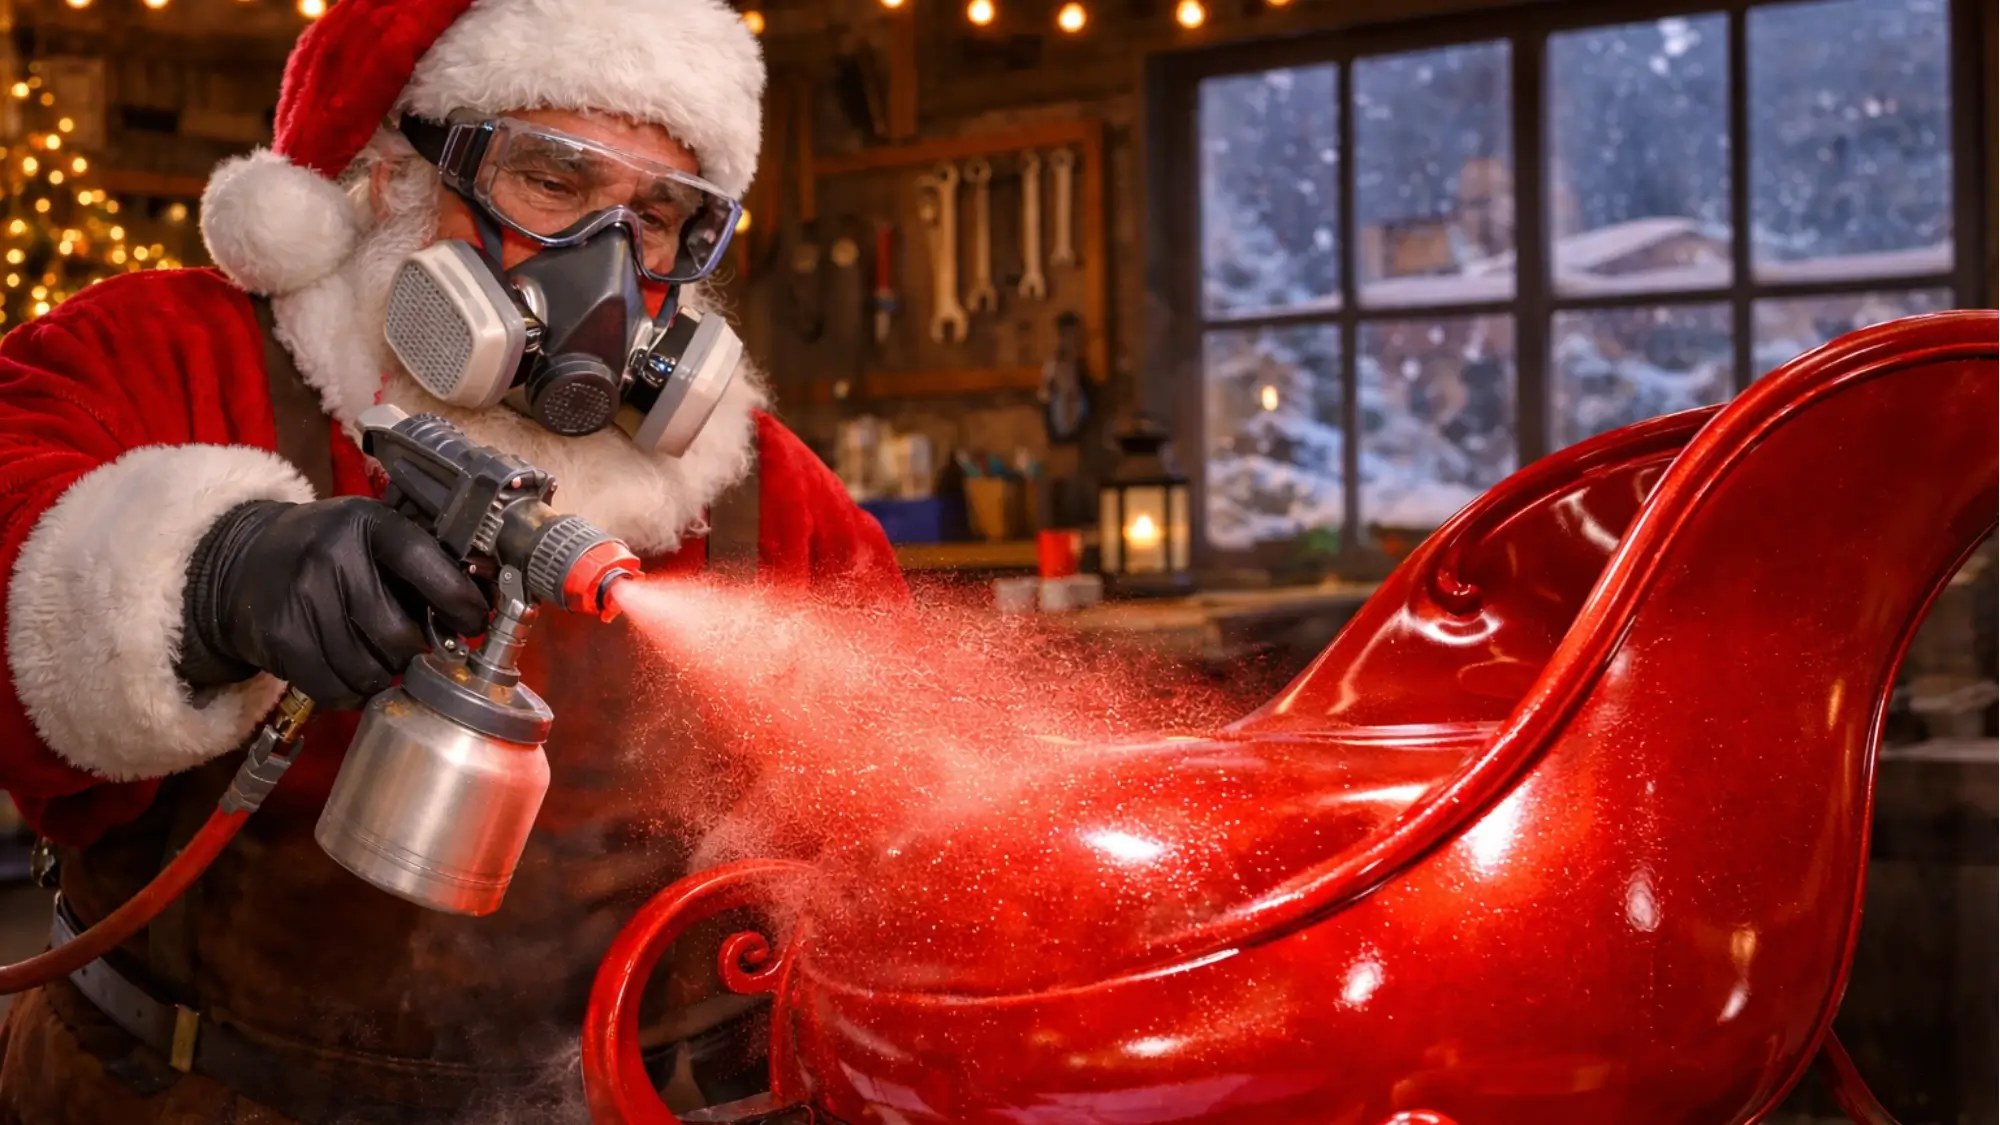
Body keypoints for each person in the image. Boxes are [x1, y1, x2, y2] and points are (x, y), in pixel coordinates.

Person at [0, 1, 905, 1122]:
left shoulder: (757, 483)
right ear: (394, 175)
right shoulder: (176, 354)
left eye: (657, 217)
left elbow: (901, 779)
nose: (606, 270)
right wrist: (210, 574)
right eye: (554, 185)